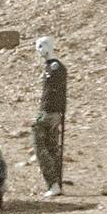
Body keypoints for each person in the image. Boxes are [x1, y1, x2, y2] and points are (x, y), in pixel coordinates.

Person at [32, 36, 67, 197]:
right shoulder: (51, 67)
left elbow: (56, 93)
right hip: (51, 112)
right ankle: (55, 184)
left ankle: (53, 182)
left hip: (49, 112)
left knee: (41, 145)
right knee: (52, 147)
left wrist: (55, 112)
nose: (38, 50)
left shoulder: (55, 67)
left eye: (40, 46)